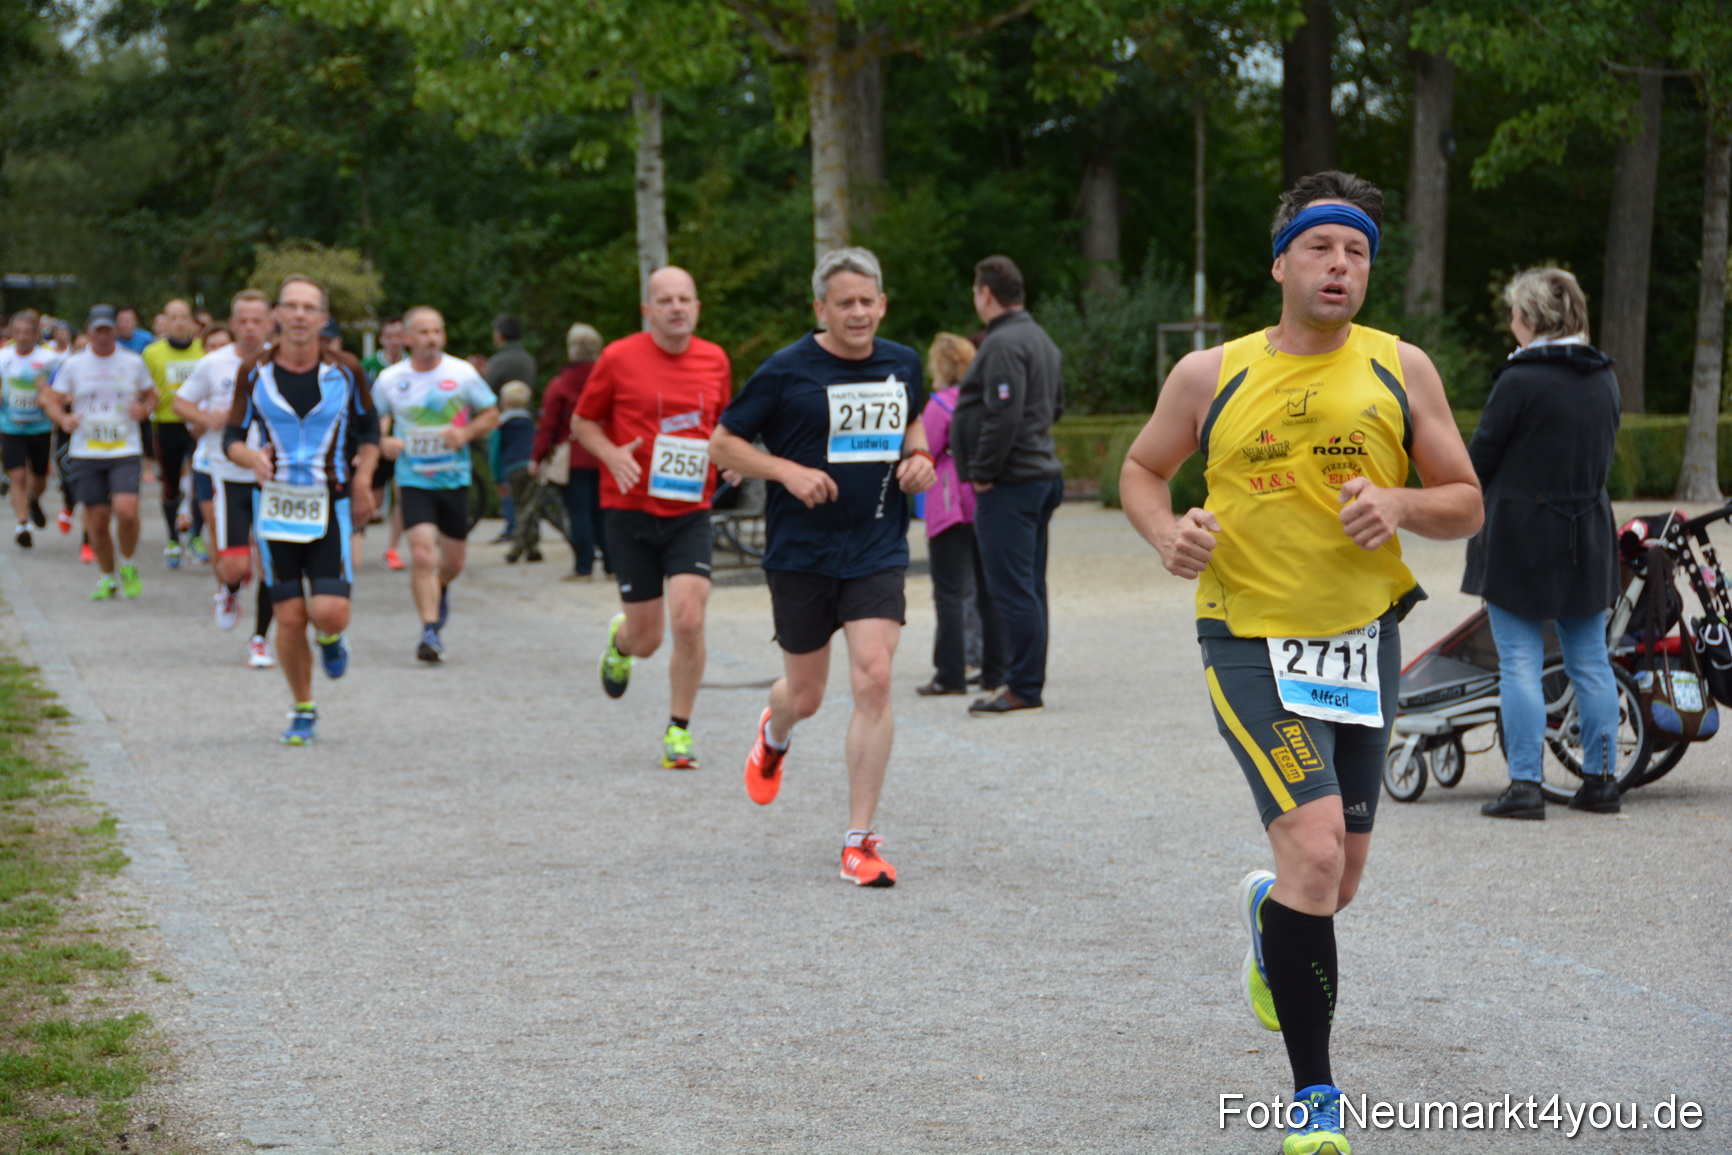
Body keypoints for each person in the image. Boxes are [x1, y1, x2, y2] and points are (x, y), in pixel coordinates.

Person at [1119, 171, 1483, 1155]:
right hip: (1247, 640)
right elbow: (1141, 469)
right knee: (1315, 850)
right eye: (1321, 248)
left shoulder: (1400, 369)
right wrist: (1166, 533)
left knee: (1338, 877)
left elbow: (1465, 499)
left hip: (1362, 641)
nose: (1339, 266)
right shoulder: (1211, 374)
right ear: (1280, 262)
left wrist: (1403, 504)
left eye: (1357, 252)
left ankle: (1263, 911)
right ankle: (1315, 1100)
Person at [710, 247, 935, 887]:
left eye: (868, 301)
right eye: (845, 303)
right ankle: (774, 731)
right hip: (802, 553)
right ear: (821, 309)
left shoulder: (903, 362)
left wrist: (920, 460)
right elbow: (723, 443)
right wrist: (787, 471)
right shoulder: (786, 371)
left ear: (882, 304)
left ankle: (859, 842)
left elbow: (912, 425)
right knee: (805, 696)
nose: (858, 312)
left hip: (875, 544)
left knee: (875, 677)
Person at [1464, 267, 1623, 819]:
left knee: (1520, 663)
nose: (1512, 323)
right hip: (1588, 534)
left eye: (1514, 314)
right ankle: (1603, 782)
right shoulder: (1605, 376)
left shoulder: (1521, 380)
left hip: (1519, 537)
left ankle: (1526, 786)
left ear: (1530, 320)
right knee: (1591, 662)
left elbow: (1478, 461)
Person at [576, 269, 731, 770]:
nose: (676, 307)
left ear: (698, 306)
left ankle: (678, 731)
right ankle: (621, 641)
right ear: (648, 311)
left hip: (689, 509)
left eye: (685, 298)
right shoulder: (619, 357)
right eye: (665, 300)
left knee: (689, 617)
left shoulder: (714, 359)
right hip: (629, 510)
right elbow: (582, 422)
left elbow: (727, 424)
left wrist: (731, 456)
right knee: (648, 640)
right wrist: (611, 454)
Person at [225, 275, 379, 743]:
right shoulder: (253, 373)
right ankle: (303, 708)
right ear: (276, 315)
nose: (298, 315)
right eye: (289, 306)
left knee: (329, 612)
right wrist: (249, 457)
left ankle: (331, 638)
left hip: (329, 505)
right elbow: (230, 438)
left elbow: (370, 434)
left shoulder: (347, 371)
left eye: (308, 308)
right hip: (273, 507)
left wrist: (364, 481)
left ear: (322, 317)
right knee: (290, 617)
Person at [951, 255, 1066, 716]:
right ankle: (1027, 681)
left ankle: (1021, 687)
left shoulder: (1001, 345)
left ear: (984, 293)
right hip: (1040, 474)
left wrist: (982, 470)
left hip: (1012, 482)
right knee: (1030, 586)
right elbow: (1055, 406)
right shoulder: (1041, 339)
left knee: (1013, 589)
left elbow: (1003, 414)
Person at [373, 306, 499, 664]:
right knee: (423, 552)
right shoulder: (390, 379)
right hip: (413, 479)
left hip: (454, 479)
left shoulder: (462, 373)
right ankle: (430, 631)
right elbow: (373, 420)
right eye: (424, 333)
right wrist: (383, 442)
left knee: (454, 561)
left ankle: (440, 588)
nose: (431, 339)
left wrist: (465, 432)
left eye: (437, 332)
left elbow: (492, 413)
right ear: (408, 338)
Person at [174, 289, 278, 665]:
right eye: (243, 321)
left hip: (273, 478)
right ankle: (230, 589)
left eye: (258, 321)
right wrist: (207, 418)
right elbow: (180, 402)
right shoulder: (214, 364)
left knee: (271, 562)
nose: (250, 328)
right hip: (228, 472)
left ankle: (260, 639)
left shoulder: (280, 362)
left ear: (269, 324)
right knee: (235, 565)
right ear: (233, 324)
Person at [40, 306, 158, 600]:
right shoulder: (74, 364)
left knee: (127, 511)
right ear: (88, 330)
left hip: (124, 449)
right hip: (86, 452)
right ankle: (108, 577)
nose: (103, 335)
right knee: (98, 521)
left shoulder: (133, 362)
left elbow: (152, 395)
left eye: (108, 329)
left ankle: (128, 564)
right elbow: (52, 400)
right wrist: (62, 419)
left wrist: (144, 410)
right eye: (98, 329)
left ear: (115, 330)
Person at [917, 331, 1004, 696]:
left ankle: (949, 674)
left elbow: (925, 448)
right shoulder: (984, 401)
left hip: (949, 503)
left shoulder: (938, 406)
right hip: (984, 500)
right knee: (989, 590)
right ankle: (995, 671)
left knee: (950, 591)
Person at [530, 322, 608, 580]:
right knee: (603, 512)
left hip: (573, 458)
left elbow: (548, 425)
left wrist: (536, 457)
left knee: (579, 514)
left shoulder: (560, 385)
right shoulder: (608, 379)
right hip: (605, 455)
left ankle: (583, 567)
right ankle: (612, 565)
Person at [141, 299, 205, 567]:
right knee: (170, 486)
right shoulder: (152, 353)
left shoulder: (204, 351)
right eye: (173, 317)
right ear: (164, 322)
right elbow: (144, 391)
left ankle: (196, 536)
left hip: (199, 425)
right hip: (167, 424)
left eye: (184, 317)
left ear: (192, 322)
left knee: (202, 481)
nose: (179, 322)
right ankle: (171, 540)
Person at [0, 309, 65, 547]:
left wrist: (46, 393)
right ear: (11, 332)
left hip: (40, 427)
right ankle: (22, 524)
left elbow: (61, 389)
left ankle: (33, 499)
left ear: (37, 334)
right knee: (17, 475)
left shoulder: (49, 359)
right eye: (17, 332)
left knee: (39, 478)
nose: (22, 336)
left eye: (27, 332)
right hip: (10, 426)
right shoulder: (3, 356)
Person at [489, 381, 537, 556]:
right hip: (532, 465)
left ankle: (517, 544)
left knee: (517, 506)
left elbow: (495, 453)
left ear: (504, 403)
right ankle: (533, 545)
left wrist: (497, 478)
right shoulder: (530, 421)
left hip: (512, 467)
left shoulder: (501, 425)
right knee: (531, 505)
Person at [484, 314, 537, 394]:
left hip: (503, 406)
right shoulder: (528, 358)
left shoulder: (499, 360)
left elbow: (485, 391)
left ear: (501, 336)